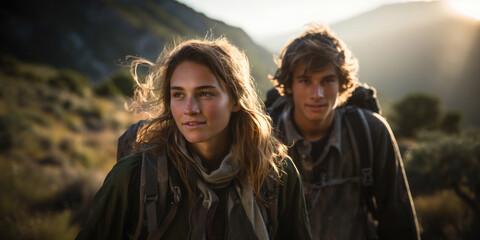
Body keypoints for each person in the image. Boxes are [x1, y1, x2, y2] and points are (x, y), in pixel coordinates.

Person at [75, 38, 311, 240]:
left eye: (204, 93)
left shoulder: (277, 174)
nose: (189, 109)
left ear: (236, 100)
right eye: (178, 94)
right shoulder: (133, 176)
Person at [268, 25, 420, 239]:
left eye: (327, 80)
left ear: (342, 84)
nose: (317, 94)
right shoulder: (266, 137)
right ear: (289, 85)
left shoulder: (370, 132)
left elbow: (398, 220)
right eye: (305, 80)